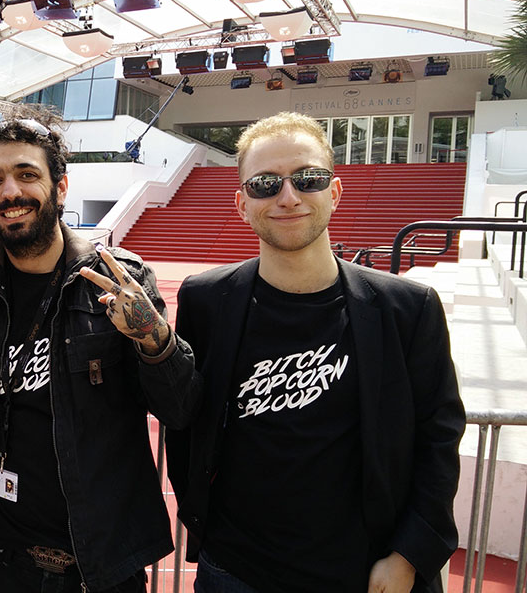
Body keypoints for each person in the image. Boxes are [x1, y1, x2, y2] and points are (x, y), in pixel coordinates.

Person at [166, 111, 466, 593]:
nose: (288, 197)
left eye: (307, 179)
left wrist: (409, 555)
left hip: (366, 572)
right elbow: (186, 422)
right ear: (242, 205)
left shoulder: (408, 308)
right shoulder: (205, 300)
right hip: (235, 572)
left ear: (335, 192)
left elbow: (439, 439)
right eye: (265, 184)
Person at [0, 106, 202, 593]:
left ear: (61, 187)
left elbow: (179, 408)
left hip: (100, 566)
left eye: (27, 174)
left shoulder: (119, 279)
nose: (11, 192)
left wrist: (153, 339)